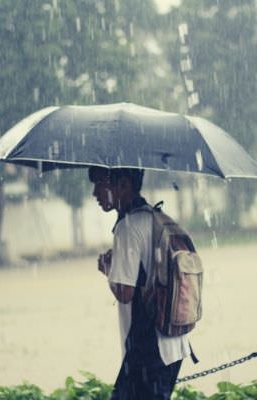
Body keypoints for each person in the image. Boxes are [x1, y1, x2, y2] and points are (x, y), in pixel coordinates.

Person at [89, 166, 191, 400]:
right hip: (174, 342)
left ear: (123, 185)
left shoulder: (128, 226)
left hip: (149, 348)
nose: (95, 193)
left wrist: (108, 268)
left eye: (100, 185)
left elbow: (124, 292)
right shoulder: (158, 218)